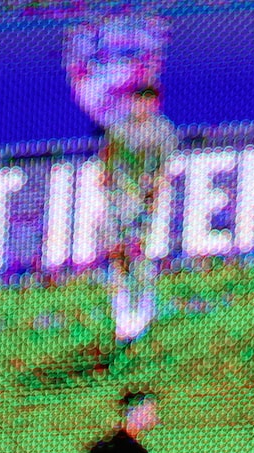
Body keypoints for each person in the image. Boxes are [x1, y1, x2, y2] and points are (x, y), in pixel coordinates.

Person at [101, 77, 177, 354]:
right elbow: (107, 164)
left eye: (148, 100)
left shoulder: (163, 130)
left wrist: (151, 199)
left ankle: (142, 319)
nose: (142, 106)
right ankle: (122, 322)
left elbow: (163, 171)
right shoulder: (118, 128)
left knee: (142, 260)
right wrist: (112, 192)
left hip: (147, 204)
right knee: (118, 260)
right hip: (120, 202)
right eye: (138, 100)